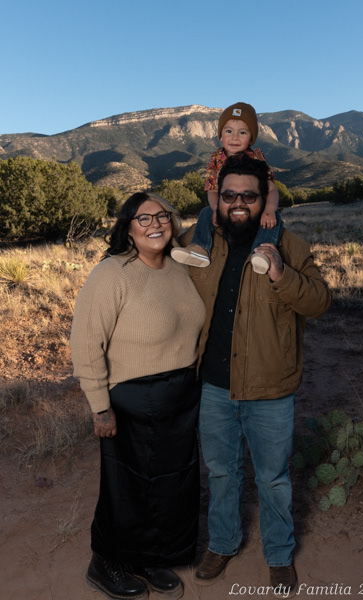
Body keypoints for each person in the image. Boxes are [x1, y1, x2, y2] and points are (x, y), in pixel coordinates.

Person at [180, 154, 332, 599]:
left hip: (270, 390)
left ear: (265, 198)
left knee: (273, 478)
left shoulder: (290, 245)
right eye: (230, 195)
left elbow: (320, 301)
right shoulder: (201, 243)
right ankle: (223, 543)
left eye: (249, 195)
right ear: (218, 199)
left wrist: (281, 274)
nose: (239, 203)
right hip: (213, 387)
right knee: (221, 473)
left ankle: (279, 555)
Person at [70, 192, 206, 600]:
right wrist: (100, 407)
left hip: (181, 396)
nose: (155, 224)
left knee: (171, 486)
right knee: (127, 488)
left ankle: (149, 557)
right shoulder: (112, 273)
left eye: (162, 215)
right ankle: (106, 562)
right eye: (143, 218)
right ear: (128, 228)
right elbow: (85, 343)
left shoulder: (180, 266)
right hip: (133, 398)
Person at [171, 102, 281, 274]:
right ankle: (200, 248)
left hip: (253, 207)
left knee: (274, 219)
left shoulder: (256, 158)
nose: (235, 137)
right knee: (206, 212)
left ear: (251, 138)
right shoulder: (216, 158)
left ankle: (261, 254)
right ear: (220, 136)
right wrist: (217, 209)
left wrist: (269, 210)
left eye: (242, 132)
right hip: (227, 207)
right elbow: (212, 189)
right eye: (229, 131)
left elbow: (272, 190)